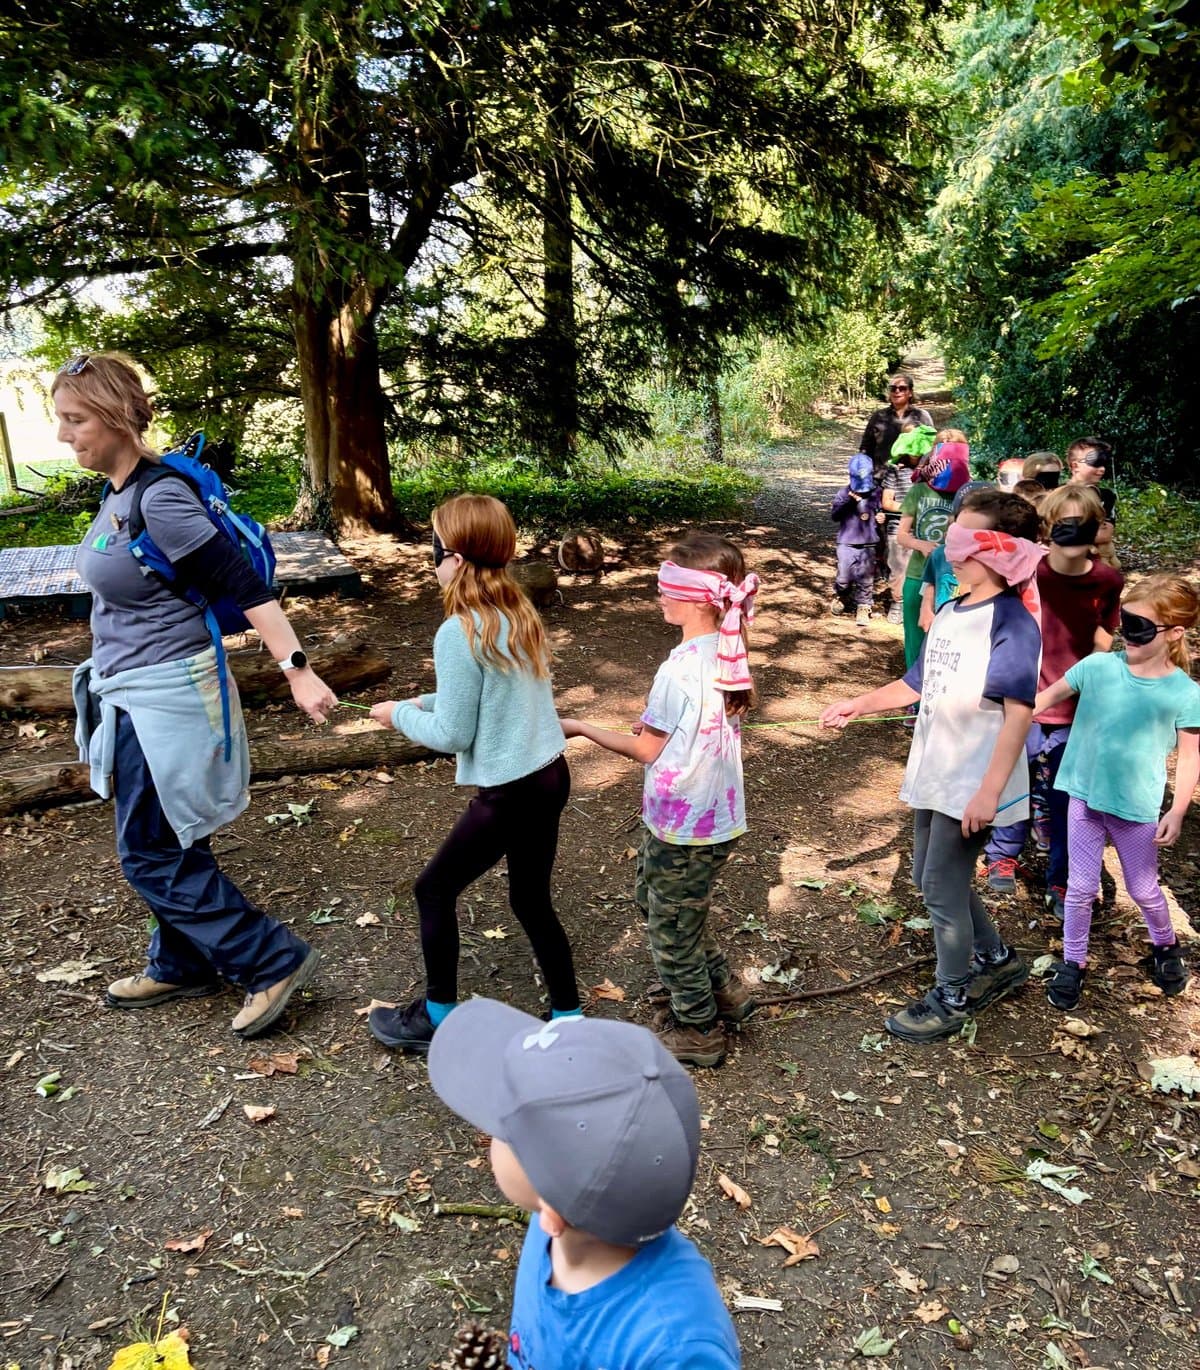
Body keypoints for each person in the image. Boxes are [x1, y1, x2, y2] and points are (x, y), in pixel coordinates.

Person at [57, 352, 332, 1037]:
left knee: (147, 851)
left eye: (76, 419)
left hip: (166, 698)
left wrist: (297, 668)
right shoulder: (118, 491)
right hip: (131, 690)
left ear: (118, 418)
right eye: (61, 420)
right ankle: (180, 959)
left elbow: (246, 588)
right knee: (171, 835)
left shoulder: (162, 498)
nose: (65, 435)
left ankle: (267, 958)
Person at [820, 490, 1044, 1043]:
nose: (950, 547)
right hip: (935, 772)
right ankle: (996, 958)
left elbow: (1020, 715)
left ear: (997, 551)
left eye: (963, 538)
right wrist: (859, 703)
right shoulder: (950, 610)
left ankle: (953, 992)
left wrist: (989, 794)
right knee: (929, 876)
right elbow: (916, 682)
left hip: (973, 782)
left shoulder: (1012, 623)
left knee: (941, 889)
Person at [366, 495, 581, 1052]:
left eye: (434, 549)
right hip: (550, 774)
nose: (431, 558)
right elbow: (490, 696)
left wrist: (400, 716)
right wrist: (422, 699)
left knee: (432, 890)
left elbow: (453, 735)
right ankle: (569, 1015)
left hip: (511, 790)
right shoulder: (516, 612)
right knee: (530, 901)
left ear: (456, 558)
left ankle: (437, 1015)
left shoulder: (459, 631)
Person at [427, 999, 741, 1370]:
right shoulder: (567, 1217)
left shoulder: (676, 1347)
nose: (485, 1131)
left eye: (501, 1128)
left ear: (554, 1212)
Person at [561, 533, 758, 1068]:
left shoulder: (678, 669)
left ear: (697, 599)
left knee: (668, 932)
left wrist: (580, 727)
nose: (659, 597)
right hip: (713, 815)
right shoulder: (728, 649)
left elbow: (646, 750)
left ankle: (698, 1029)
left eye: (667, 588)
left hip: (684, 823)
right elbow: (687, 729)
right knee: (665, 906)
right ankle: (724, 992)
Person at [1037, 575, 1200, 1010]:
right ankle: (1074, 962)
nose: (1129, 635)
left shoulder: (1184, 693)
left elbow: (1189, 757)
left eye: (1142, 628)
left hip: (1135, 808)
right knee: (1079, 887)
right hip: (1083, 797)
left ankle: (1165, 947)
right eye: (1126, 623)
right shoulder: (1097, 667)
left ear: (1175, 633)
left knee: (1144, 888)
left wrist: (1178, 810)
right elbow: (1039, 702)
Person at [982, 485, 1122, 908]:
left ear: (1098, 529)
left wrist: (1090, 683)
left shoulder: (1107, 579)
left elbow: (1104, 636)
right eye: (1064, 524)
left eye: (1084, 524)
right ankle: (1002, 854)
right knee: (1012, 776)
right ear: (1048, 528)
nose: (1074, 533)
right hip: (1022, 698)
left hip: (1077, 705)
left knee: (1067, 800)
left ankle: (1061, 879)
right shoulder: (1030, 571)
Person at [895, 432, 970, 670]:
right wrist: (922, 545)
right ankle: (914, 699)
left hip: (956, 580)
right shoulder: (919, 490)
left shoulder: (970, 492)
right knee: (916, 641)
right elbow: (901, 535)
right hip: (918, 574)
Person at [918, 479, 994, 632]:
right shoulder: (940, 553)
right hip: (941, 625)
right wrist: (925, 609)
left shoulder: (996, 557)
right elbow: (931, 581)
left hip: (977, 630)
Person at [882, 422, 936, 622]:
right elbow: (887, 502)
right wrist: (911, 508)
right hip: (898, 528)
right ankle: (898, 603)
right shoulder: (895, 469)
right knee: (899, 570)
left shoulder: (931, 471)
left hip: (925, 530)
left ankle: (922, 606)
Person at [830, 453, 881, 627]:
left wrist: (882, 518)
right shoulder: (844, 493)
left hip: (869, 543)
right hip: (846, 542)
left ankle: (863, 606)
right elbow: (835, 516)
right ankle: (842, 594)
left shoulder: (876, 493)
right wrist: (848, 502)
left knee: (866, 577)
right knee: (843, 577)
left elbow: (882, 512)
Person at [858, 374, 934, 473]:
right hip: (881, 476)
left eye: (902, 388)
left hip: (912, 477)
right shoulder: (878, 416)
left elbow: (931, 447)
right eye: (893, 388)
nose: (897, 391)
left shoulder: (921, 416)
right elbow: (866, 448)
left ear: (910, 392)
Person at [1066, 436, 1119, 566]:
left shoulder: (1106, 496)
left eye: (1104, 463)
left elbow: (1105, 535)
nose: (1102, 469)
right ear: (1075, 465)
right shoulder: (1058, 496)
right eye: (1095, 462)